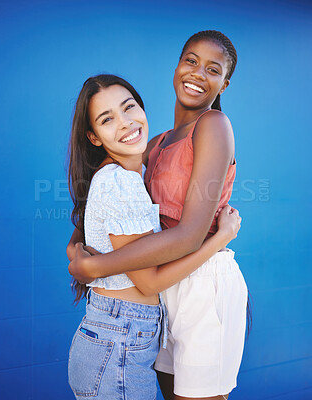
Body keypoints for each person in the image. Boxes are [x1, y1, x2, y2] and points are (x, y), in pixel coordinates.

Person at [66, 74, 241, 400]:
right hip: (120, 338)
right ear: (94, 136)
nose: (126, 122)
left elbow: (82, 236)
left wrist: (79, 253)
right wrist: (222, 237)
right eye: (107, 119)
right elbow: (148, 282)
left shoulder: (130, 169)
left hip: (117, 334)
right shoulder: (123, 182)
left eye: (128, 107)